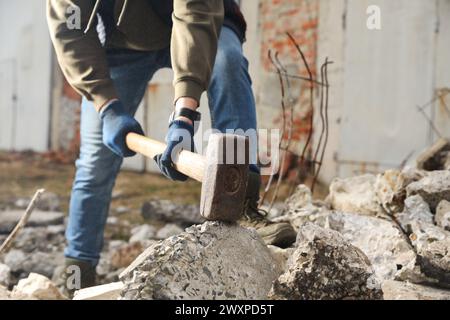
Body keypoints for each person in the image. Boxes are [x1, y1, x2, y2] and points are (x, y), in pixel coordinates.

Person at [47, 0, 296, 293]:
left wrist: (184, 116)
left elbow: (194, 12)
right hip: (125, 41)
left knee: (227, 62)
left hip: (205, 20)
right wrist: (107, 106)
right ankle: (79, 264)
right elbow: (70, 29)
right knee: (95, 158)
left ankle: (242, 204)